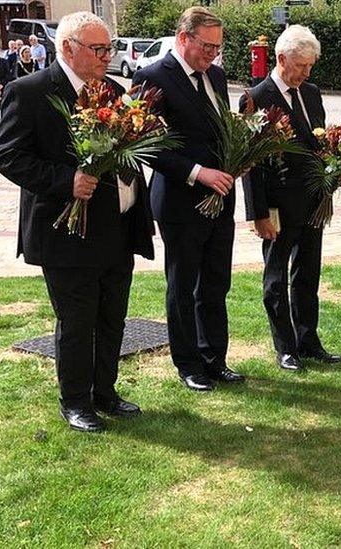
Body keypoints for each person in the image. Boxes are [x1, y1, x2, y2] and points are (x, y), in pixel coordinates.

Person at [0, 12, 155, 433]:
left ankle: (106, 392)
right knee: (78, 321)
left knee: (112, 317)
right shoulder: (29, 92)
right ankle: (76, 401)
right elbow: (8, 156)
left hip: (118, 228)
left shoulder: (115, 92)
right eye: (99, 49)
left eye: (109, 49)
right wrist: (67, 181)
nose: (107, 57)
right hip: (68, 231)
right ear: (68, 48)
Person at [133, 6, 244, 392]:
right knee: (184, 286)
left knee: (216, 283)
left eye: (218, 47)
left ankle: (215, 358)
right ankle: (189, 364)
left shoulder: (214, 74)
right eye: (207, 46)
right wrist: (198, 172)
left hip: (221, 197)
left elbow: (220, 131)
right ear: (184, 38)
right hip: (181, 200)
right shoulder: (152, 77)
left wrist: (235, 159)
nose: (213, 54)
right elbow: (145, 146)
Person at [239, 25, 341, 372]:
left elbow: (320, 143)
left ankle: (307, 339)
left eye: (310, 66)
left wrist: (336, 166)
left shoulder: (311, 93)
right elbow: (250, 162)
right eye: (301, 66)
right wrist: (258, 214)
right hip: (278, 206)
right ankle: (285, 347)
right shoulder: (257, 96)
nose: (306, 72)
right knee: (276, 276)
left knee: (308, 273)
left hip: (313, 201)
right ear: (281, 58)